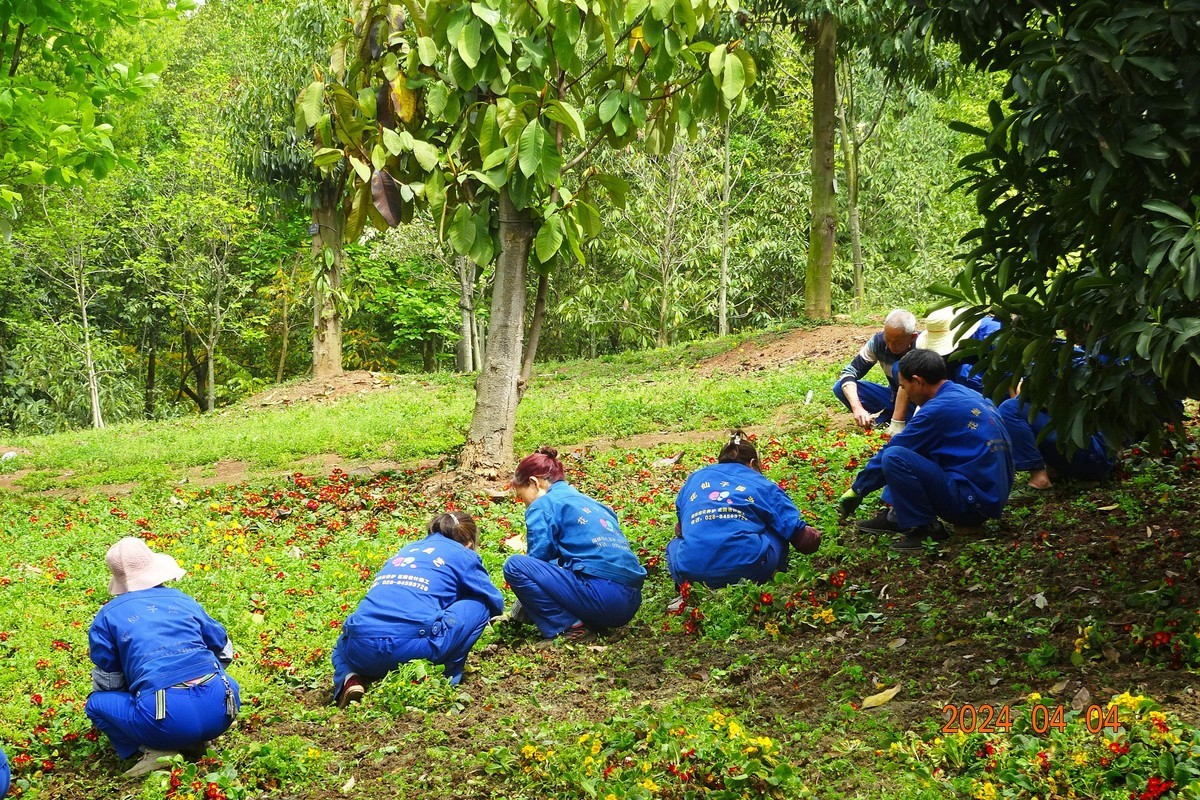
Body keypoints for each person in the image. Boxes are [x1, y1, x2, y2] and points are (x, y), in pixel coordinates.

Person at [86, 538, 239, 778]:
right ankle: (195, 740)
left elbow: (109, 683)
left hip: (163, 715)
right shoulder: (183, 600)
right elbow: (224, 649)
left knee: (96, 704)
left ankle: (155, 748)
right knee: (212, 682)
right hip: (223, 708)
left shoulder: (107, 617)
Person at [837, 349, 1015, 550]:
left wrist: (857, 489)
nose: (907, 395)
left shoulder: (935, 410)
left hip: (973, 504)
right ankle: (896, 515)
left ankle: (927, 529)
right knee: (919, 445)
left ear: (918, 381)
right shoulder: (969, 394)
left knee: (895, 456)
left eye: (904, 387)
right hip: (991, 496)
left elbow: (895, 448)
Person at [332, 511, 503, 707]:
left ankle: (350, 678)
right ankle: (446, 676)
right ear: (470, 542)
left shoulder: (404, 551)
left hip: (360, 649)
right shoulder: (463, 554)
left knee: (343, 641)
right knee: (479, 605)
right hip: (413, 648)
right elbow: (494, 601)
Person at [502, 448, 645, 643]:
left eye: (521, 496)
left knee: (516, 566)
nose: (524, 504)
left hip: (602, 596)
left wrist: (519, 612)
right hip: (630, 601)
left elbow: (537, 561)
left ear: (534, 483)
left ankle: (570, 628)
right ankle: (587, 622)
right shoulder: (595, 504)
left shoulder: (543, 504)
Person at [666, 432, 821, 588]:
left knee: (676, 544)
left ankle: (687, 587)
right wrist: (813, 535)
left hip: (692, 572)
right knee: (778, 525)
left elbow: (680, 530)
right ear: (753, 463)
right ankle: (774, 576)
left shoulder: (694, 478)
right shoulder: (761, 483)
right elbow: (804, 541)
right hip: (749, 568)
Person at [998, 396, 1114, 498]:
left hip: (1092, 452)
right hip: (1101, 454)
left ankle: (1040, 481)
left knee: (1010, 409)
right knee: (1024, 406)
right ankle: (1058, 473)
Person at [833, 309, 919, 434]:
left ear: (912, 337)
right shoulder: (878, 342)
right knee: (841, 387)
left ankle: (898, 420)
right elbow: (849, 372)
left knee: (899, 368)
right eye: (887, 339)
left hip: (918, 404)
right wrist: (857, 408)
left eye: (897, 342)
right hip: (893, 396)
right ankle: (888, 417)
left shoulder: (923, 344)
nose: (890, 346)